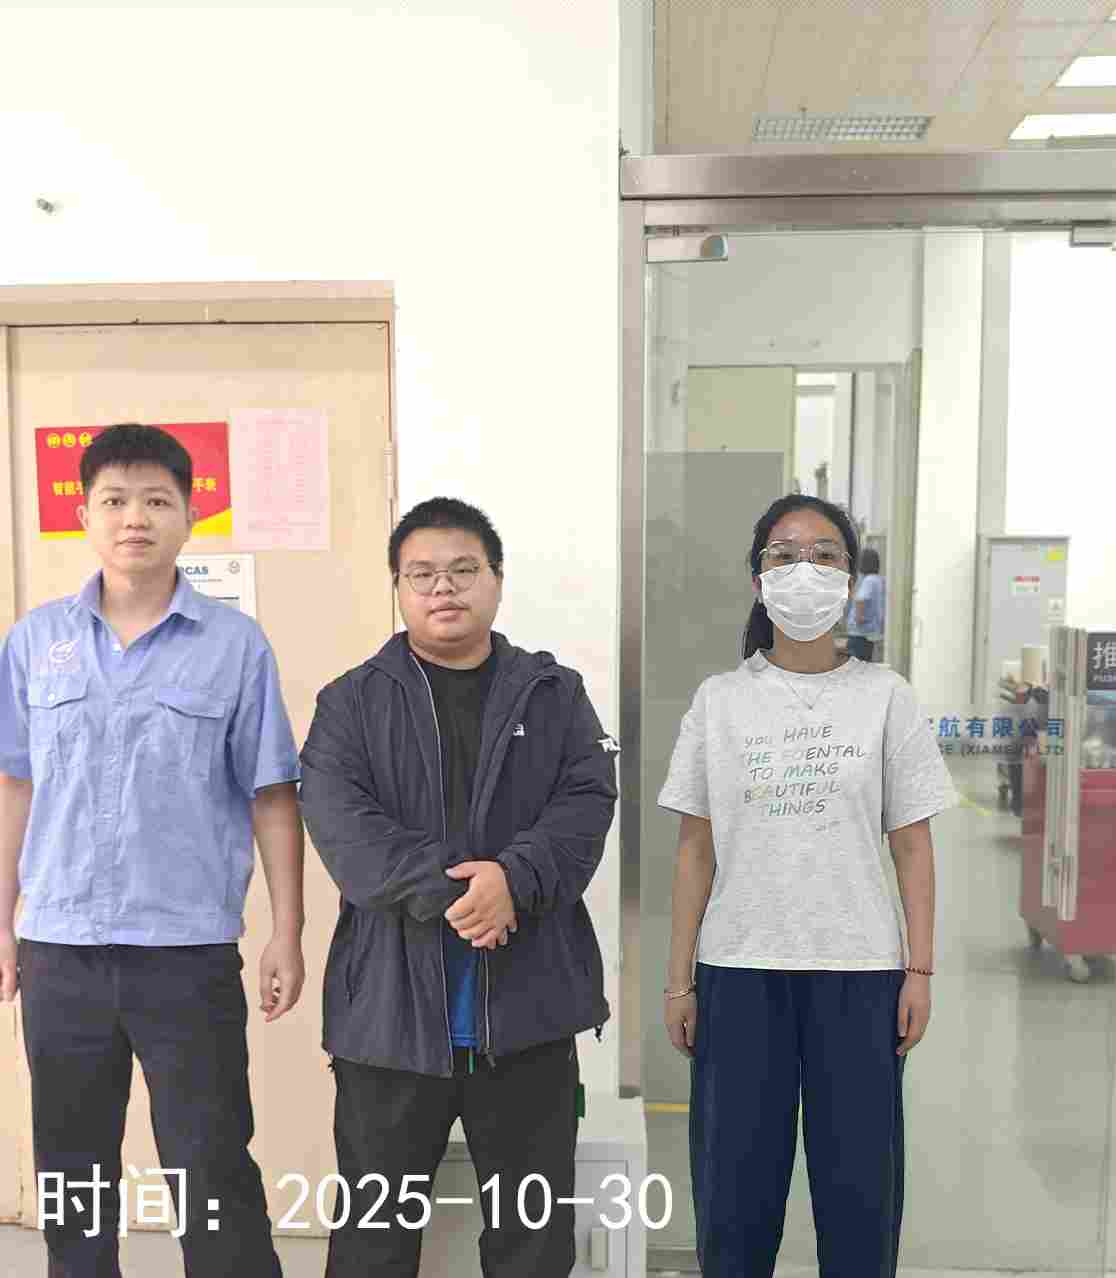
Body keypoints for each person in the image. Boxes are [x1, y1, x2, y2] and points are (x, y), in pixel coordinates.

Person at [0, 424, 304, 1277]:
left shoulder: (234, 646)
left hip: (185, 952)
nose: (135, 518)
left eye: (157, 500)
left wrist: (287, 931)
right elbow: (15, 786)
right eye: (114, 500)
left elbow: (272, 794)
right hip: (60, 947)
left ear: (190, 516)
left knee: (212, 1163)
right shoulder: (34, 643)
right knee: (72, 1167)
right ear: (85, 515)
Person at [299, 496, 617, 1278]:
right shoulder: (350, 702)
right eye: (422, 574)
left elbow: (586, 803)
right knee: (373, 1237)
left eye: (464, 570)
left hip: (530, 1010)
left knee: (532, 1239)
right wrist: (472, 896)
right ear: (399, 589)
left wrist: (516, 878)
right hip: (390, 1017)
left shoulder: (554, 694)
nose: (443, 588)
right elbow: (346, 832)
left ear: (497, 580)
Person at [658, 494, 956, 1278]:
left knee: (860, 1194)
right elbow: (695, 851)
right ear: (758, 580)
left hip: (859, 973)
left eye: (825, 555)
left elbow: (913, 845)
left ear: (850, 581)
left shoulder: (885, 696)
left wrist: (920, 970)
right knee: (733, 1195)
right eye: (784, 554)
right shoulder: (720, 701)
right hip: (738, 970)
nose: (804, 570)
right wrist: (679, 981)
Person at [846, 545, 885, 663]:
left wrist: (859, 617)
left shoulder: (869, 580)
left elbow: (860, 599)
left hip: (859, 633)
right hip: (870, 633)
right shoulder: (879, 579)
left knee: (855, 666)